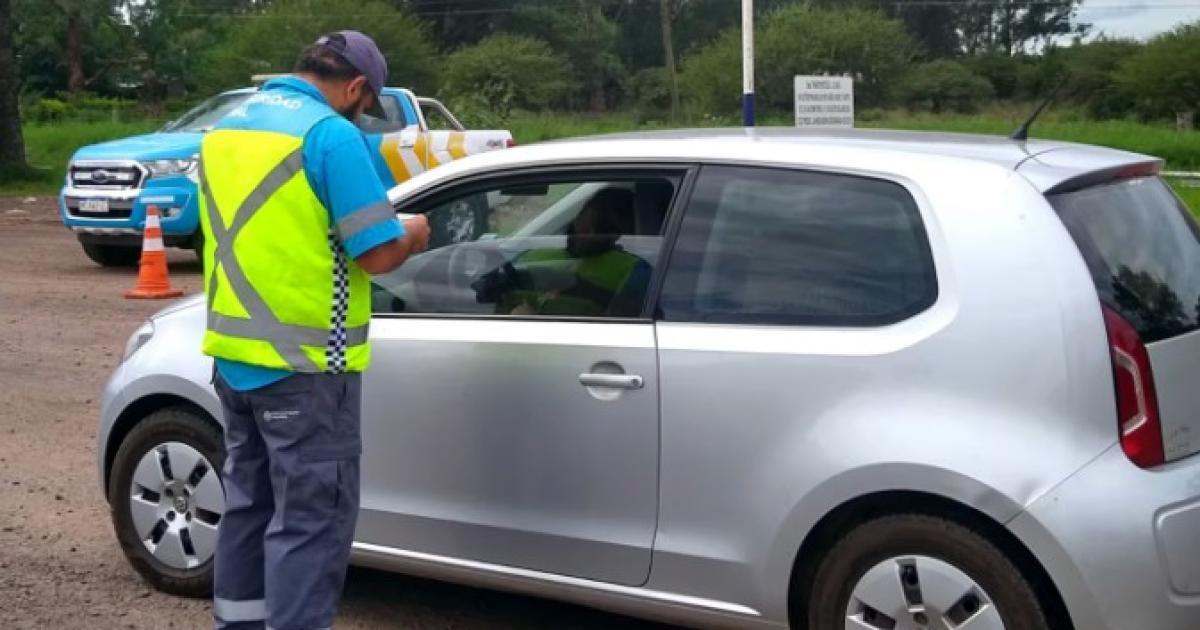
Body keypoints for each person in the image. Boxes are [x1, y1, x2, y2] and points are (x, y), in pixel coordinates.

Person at [197, 31, 429, 630]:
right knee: (311, 523)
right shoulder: (331, 136)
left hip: (234, 359)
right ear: (355, 88)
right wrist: (415, 233)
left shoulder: (227, 129)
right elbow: (377, 254)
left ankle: (238, 622)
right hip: (307, 368)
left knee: (249, 506)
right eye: (366, 102)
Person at [488, 187, 652, 317]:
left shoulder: (635, 270)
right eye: (585, 221)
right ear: (578, 216)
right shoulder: (535, 255)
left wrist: (581, 288)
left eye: (603, 229)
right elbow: (495, 294)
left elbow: (628, 326)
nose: (588, 234)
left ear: (625, 234)